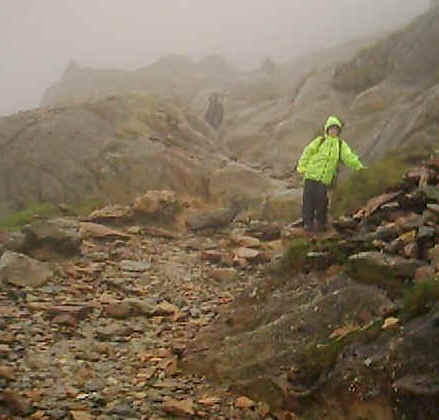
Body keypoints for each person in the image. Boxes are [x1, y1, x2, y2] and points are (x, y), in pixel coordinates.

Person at [296, 115, 365, 232]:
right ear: (327, 129)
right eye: (331, 128)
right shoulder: (320, 141)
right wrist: (302, 167)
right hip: (311, 175)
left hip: (324, 179)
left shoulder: (340, 145)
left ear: (338, 131)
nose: (333, 131)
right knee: (308, 201)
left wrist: (359, 166)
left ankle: (320, 224)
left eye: (336, 129)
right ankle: (307, 224)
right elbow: (307, 152)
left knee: (322, 201)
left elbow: (349, 157)